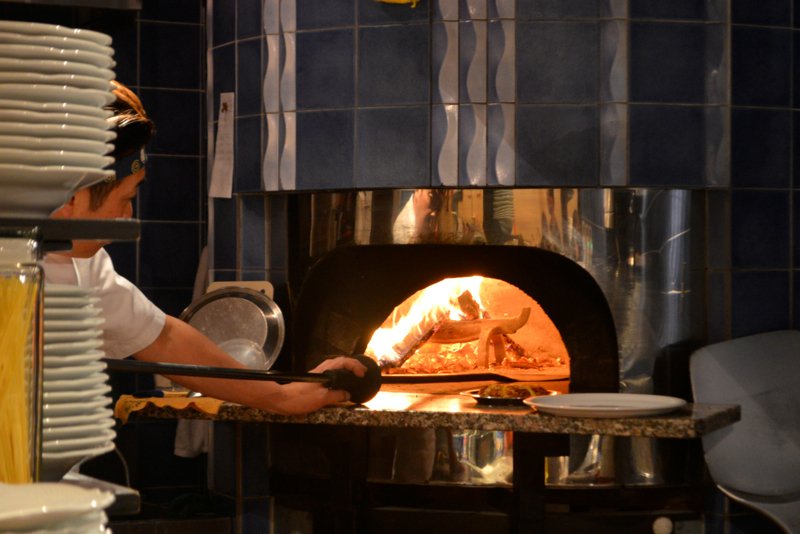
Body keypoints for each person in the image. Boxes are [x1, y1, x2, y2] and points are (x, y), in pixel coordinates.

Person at [45, 81, 365, 415]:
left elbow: (162, 336)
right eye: (126, 198)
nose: (128, 215)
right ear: (71, 196)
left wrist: (281, 396)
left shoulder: (81, 266)